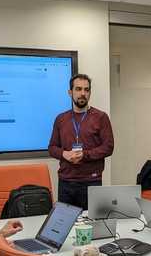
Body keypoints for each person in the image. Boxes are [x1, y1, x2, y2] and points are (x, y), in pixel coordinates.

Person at [48, 74, 114, 210]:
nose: (83, 93)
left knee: (92, 226)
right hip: (66, 183)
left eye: (86, 89)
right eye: (78, 89)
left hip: (92, 182)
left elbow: (108, 147)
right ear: (70, 92)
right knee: (66, 226)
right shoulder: (61, 119)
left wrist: (85, 155)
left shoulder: (101, 117)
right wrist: (64, 154)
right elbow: (52, 148)